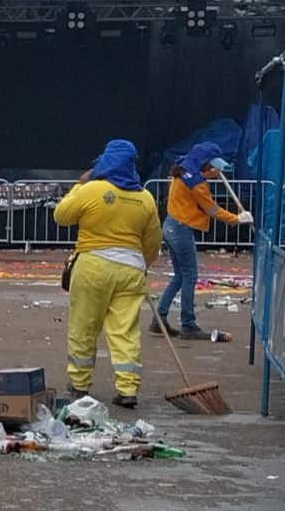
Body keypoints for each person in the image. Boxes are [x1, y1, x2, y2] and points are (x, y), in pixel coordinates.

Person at [53, 140, 162, 408]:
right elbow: (152, 243)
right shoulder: (145, 198)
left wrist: (80, 185)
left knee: (84, 326)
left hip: (93, 266)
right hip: (131, 269)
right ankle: (128, 388)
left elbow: (61, 215)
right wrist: (141, 266)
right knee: (125, 330)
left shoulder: (92, 190)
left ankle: (80, 384)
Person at [153, 142, 254, 339]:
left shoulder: (182, 169)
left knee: (180, 276)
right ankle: (188, 324)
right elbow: (212, 209)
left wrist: (208, 175)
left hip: (171, 225)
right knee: (190, 275)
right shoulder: (197, 183)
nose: (215, 169)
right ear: (205, 163)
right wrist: (238, 219)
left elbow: (197, 183)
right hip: (181, 229)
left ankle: (159, 317)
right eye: (212, 165)